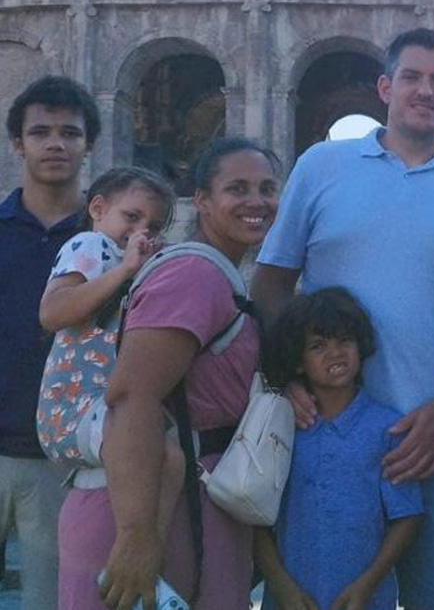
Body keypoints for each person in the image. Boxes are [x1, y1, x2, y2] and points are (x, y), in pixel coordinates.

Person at [252, 28, 434, 610]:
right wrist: (279, 379)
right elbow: (269, 286)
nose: (426, 90)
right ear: (385, 87)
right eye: (412, 77)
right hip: (324, 434)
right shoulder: (321, 166)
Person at [57, 136, 280, 610]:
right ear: (201, 200)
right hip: (152, 514)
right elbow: (132, 397)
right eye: (237, 188)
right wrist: (138, 536)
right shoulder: (194, 276)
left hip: (188, 509)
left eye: (267, 188)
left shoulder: (218, 274)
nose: (256, 201)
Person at [37, 166, 181, 549]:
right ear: (98, 208)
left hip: (102, 409)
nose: (140, 233)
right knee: (166, 455)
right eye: (131, 217)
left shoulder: (125, 261)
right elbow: (52, 313)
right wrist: (127, 270)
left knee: (170, 456)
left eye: (152, 227)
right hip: (71, 409)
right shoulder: (89, 245)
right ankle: (140, 551)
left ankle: (144, 550)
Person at [256, 287, 424, 610]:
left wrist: (367, 585)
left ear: (360, 346)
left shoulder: (387, 429)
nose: (335, 353)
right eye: (318, 346)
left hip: (365, 601)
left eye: (344, 341)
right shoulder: (282, 428)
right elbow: (254, 516)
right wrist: (282, 588)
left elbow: (407, 516)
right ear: (298, 362)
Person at [0, 75, 100, 610]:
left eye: (70, 132)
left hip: (60, 460)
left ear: (89, 144)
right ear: (18, 143)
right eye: (40, 132)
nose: (56, 143)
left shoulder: (108, 245)